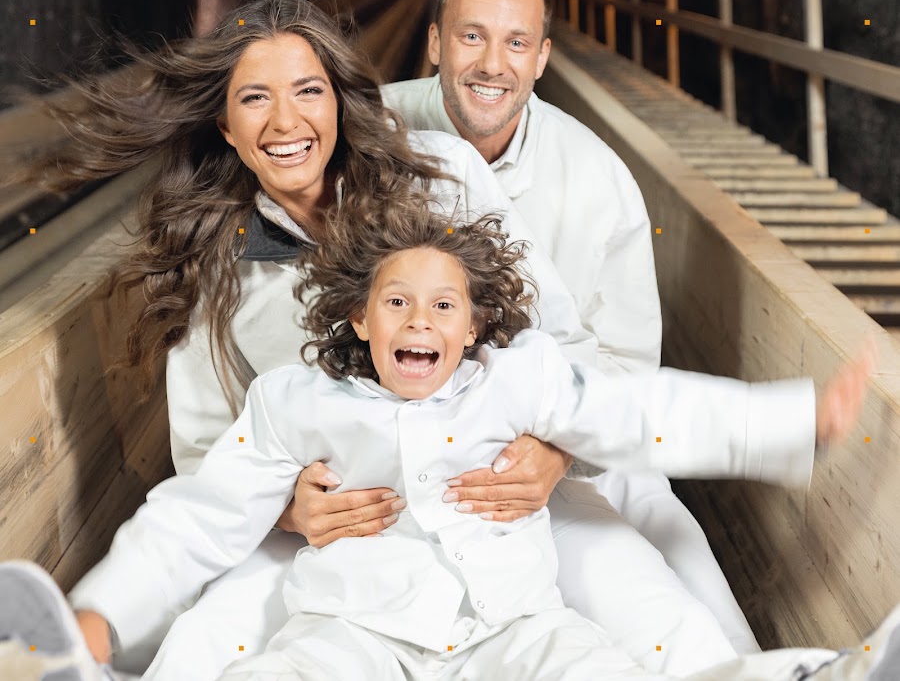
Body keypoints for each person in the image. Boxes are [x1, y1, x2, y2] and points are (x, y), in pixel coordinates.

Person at [17, 0, 675, 679]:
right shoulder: (216, 264)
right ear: (225, 124)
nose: (285, 121)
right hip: (340, 534)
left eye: (308, 90)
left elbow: (560, 341)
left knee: (656, 611)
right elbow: (209, 464)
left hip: (502, 498)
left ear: (338, 101)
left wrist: (555, 453)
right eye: (254, 99)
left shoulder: (443, 175)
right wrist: (287, 510)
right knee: (206, 642)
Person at [1, 204, 887, 681]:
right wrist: (101, 615)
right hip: (355, 627)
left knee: (599, 672)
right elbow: (198, 514)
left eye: (443, 305)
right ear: (360, 318)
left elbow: (644, 412)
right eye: (396, 303)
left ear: (474, 327)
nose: (419, 319)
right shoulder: (296, 401)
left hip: (511, 626)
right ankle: (79, 670)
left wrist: (795, 418)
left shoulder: (522, 379)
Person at [380, 0, 760, 660]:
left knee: (674, 549)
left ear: (542, 58)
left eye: (516, 42)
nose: (493, 64)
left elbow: (625, 363)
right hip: (414, 433)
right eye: (471, 35)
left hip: (569, 434)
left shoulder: (597, 178)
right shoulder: (369, 135)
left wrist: (560, 451)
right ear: (434, 42)